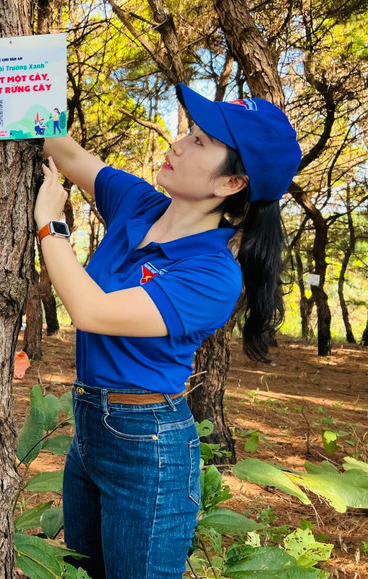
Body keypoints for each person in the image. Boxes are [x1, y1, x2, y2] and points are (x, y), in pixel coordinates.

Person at [35, 83, 302, 578]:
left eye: (200, 141)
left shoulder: (213, 274)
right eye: (190, 131)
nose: (179, 142)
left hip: (147, 446)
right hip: (89, 427)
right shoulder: (138, 203)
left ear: (231, 184)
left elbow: (91, 310)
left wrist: (51, 225)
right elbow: (63, 148)